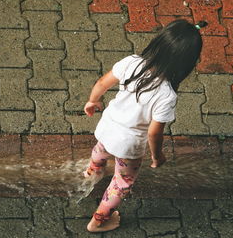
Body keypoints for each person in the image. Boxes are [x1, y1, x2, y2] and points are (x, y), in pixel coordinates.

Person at [83, 19, 208, 232]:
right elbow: (154, 133)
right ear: (186, 63)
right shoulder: (167, 94)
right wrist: (157, 156)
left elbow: (103, 83)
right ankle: (99, 220)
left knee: (101, 149)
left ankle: (93, 171)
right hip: (128, 146)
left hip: (107, 125)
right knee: (122, 182)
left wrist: (92, 100)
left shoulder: (132, 62)